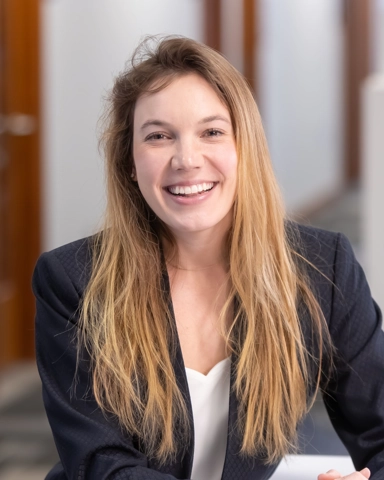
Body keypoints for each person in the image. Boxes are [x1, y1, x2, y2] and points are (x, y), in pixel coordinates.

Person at [33, 36, 384, 480]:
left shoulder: (321, 268)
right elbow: (102, 464)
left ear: (245, 147)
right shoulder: (73, 279)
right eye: (159, 136)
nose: (187, 158)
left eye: (212, 132)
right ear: (129, 160)